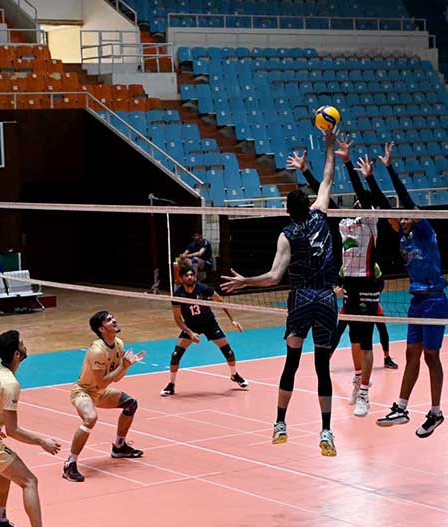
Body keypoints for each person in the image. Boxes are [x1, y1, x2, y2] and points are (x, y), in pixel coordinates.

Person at [222, 130, 339, 456]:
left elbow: (274, 278)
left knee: (291, 362)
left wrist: (245, 281)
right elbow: (327, 179)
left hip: (301, 300)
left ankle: (280, 423)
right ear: (309, 204)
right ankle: (326, 431)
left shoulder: (287, 235)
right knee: (323, 368)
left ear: (288, 211)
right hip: (328, 299)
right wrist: (329, 144)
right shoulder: (321, 215)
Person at [288, 134, 394, 418]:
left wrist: (348, 164)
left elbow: (363, 194)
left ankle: (364, 394)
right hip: (348, 285)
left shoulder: (371, 220)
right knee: (354, 340)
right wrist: (305, 171)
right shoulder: (344, 221)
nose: (357, 203)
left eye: (361, 201)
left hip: (368, 283)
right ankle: (358, 378)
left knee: (367, 339)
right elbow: (323, 197)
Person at [359, 143, 448, 438]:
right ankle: (401, 406)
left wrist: (389, 168)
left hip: (436, 300)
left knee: (430, 356)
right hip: (417, 301)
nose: (405, 217)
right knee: (411, 354)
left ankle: (436, 412)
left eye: (409, 214)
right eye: (404, 216)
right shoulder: (403, 236)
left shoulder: (425, 232)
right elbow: (386, 208)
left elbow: (404, 200)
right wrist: (370, 178)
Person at [0, 330, 61, 527]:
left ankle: (0, 519)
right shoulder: (11, 384)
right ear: (17, 354)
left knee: (6, 468)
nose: (25, 346)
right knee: (29, 481)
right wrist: (42, 441)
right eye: (22, 344)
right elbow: (13, 431)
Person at [63, 311, 146, 482]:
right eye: (109, 320)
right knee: (91, 418)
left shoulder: (119, 344)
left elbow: (115, 378)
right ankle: (70, 464)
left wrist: (125, 367)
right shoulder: (97, 351)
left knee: (131, 404)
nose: (114, 320)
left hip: (99, 392)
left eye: (113, 317)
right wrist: (123, 366)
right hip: (83, 392)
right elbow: (102, 382)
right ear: (101, 328)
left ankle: (119, 447)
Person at [161, 266, 248, 396]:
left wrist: (232, 320)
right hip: (191, 326)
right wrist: (190, 333)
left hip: (209, 324)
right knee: (175, 355)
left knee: (229, 352)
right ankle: (171, 385)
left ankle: (234, 375)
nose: (189, 277)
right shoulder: (178, 295)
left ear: (195, 277)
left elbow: (220, 301)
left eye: (191, 275)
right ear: (181, 278)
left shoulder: (203, 289)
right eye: (186, 275)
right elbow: (178, 319)